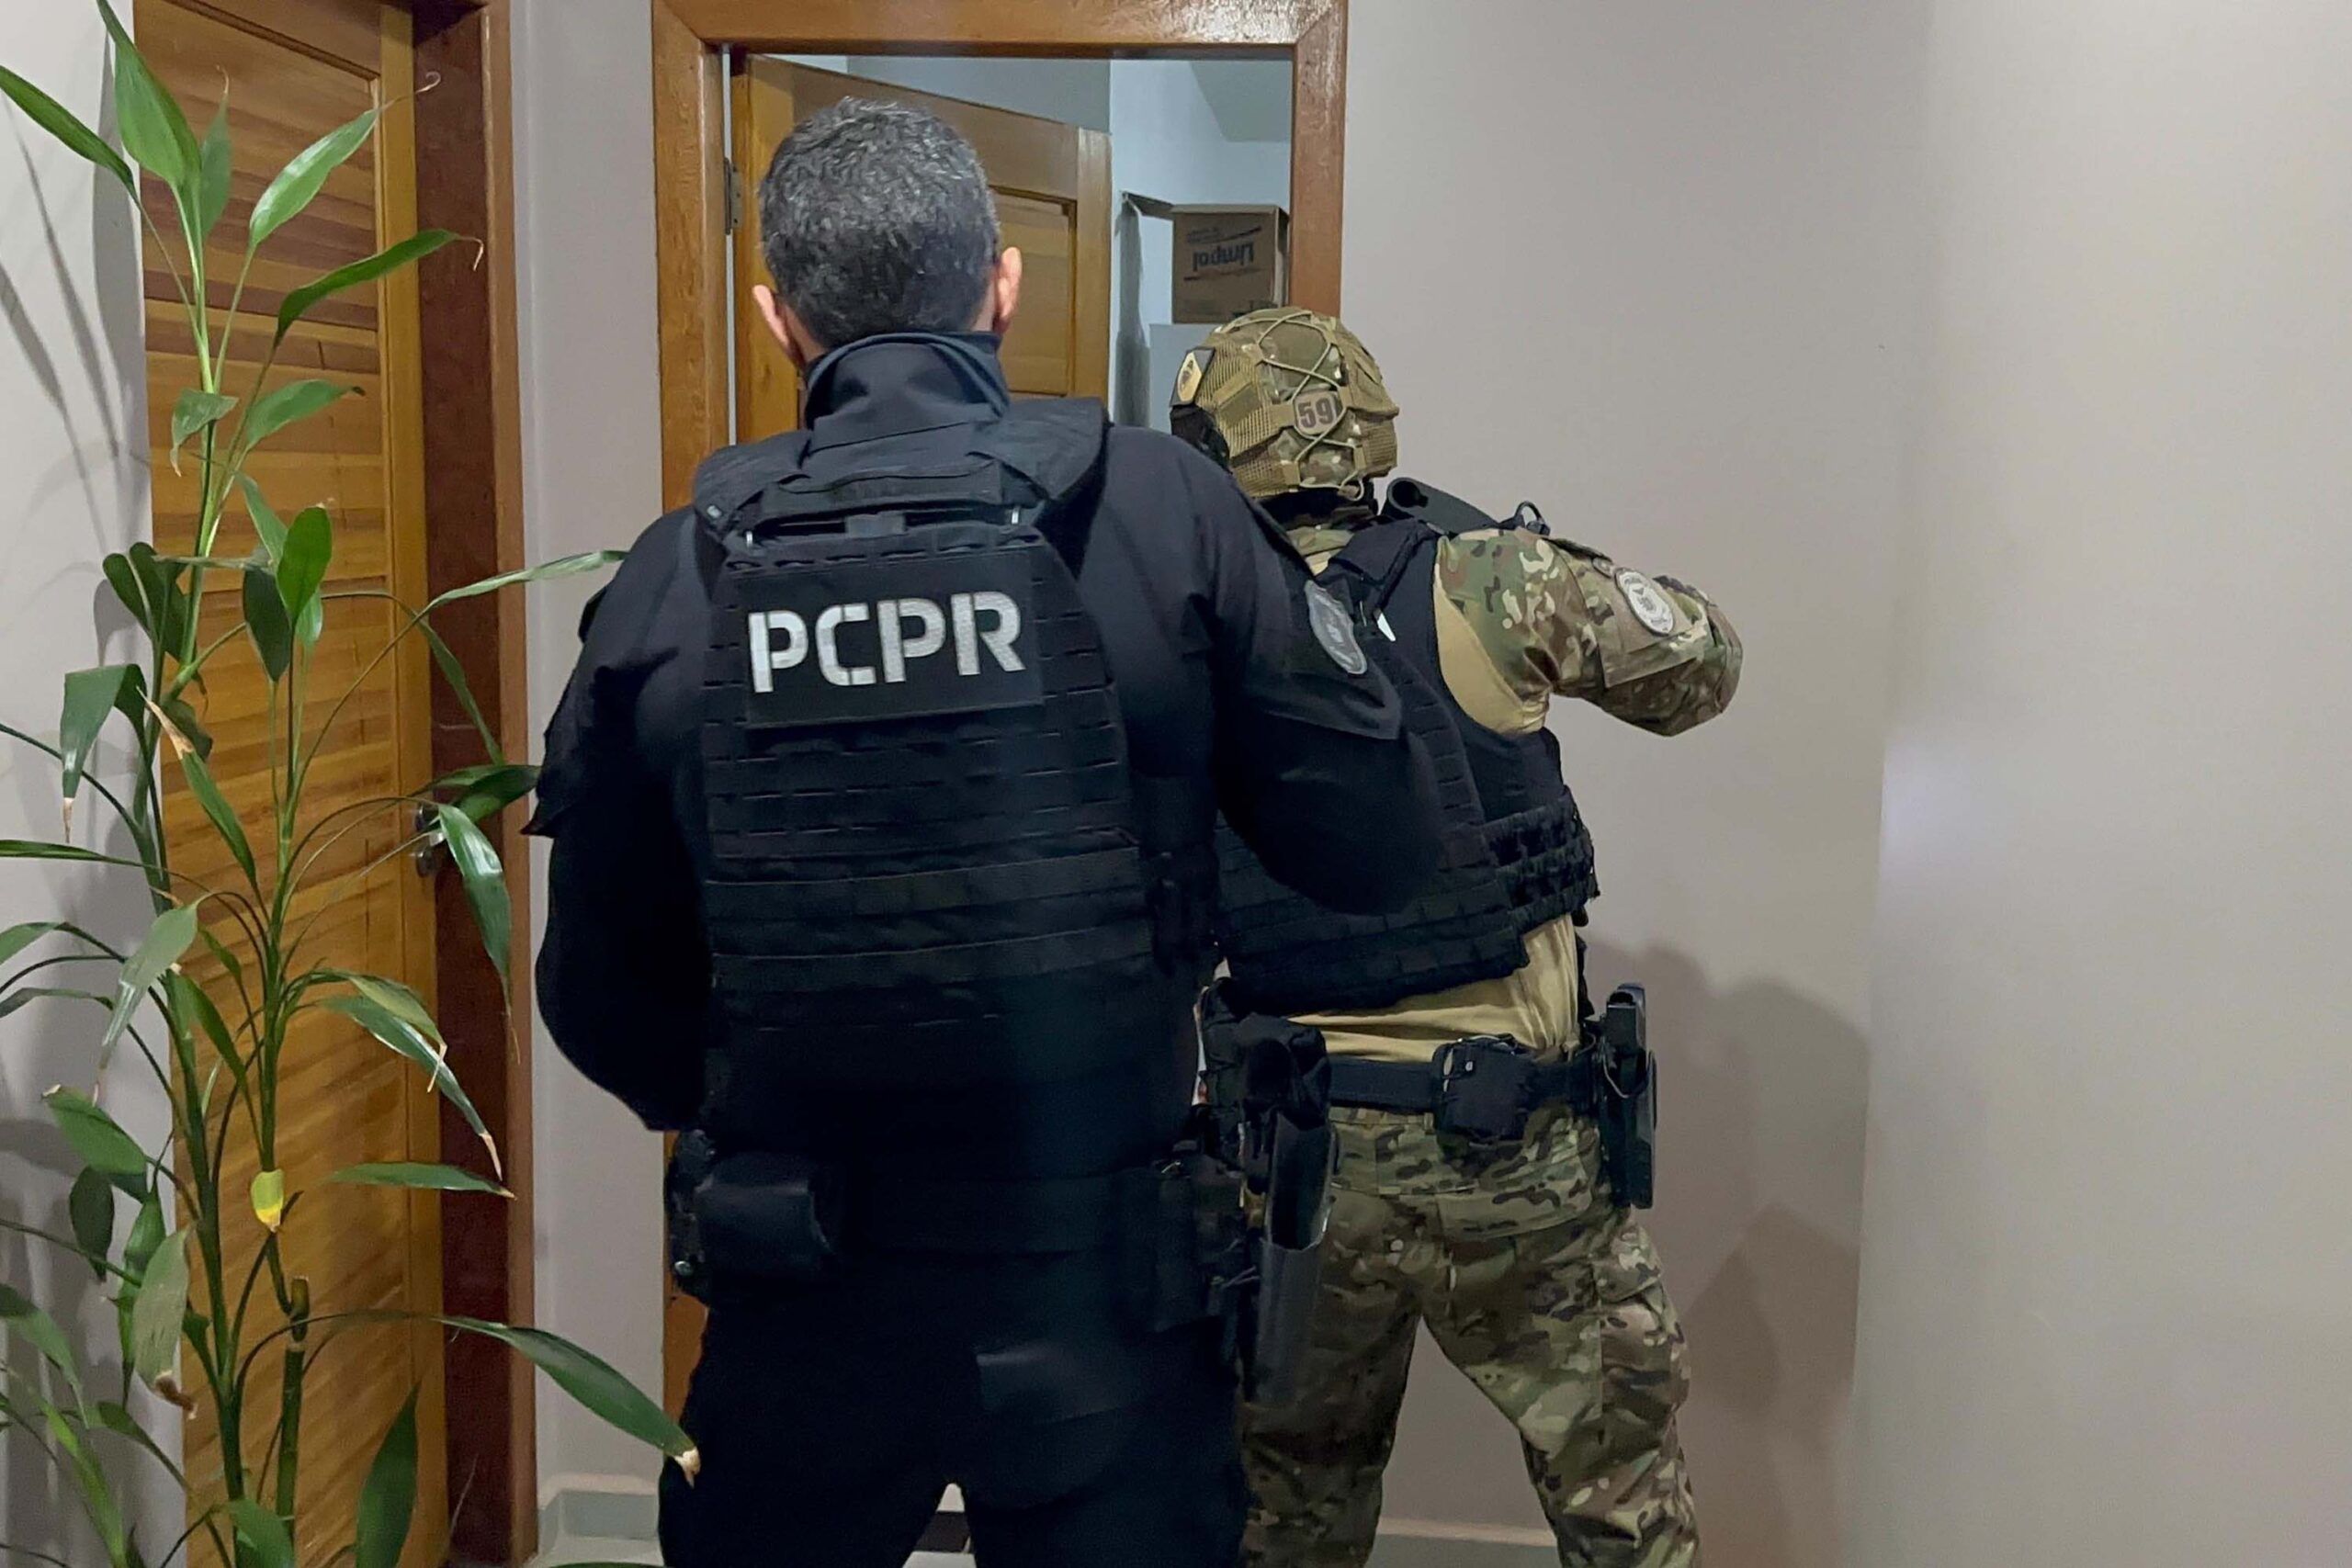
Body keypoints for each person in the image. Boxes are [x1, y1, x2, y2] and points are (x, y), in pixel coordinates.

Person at [529, 107, 1443, 1568]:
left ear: (776, 318)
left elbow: (599, 996)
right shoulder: (1167, 511)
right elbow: (1380, 850)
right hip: (1109, 1300)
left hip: (801, 1291)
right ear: (1002, 287)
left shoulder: (677, 577)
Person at [1171, 307, 1743, 1568]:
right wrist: (1525, 557)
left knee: (1288, 1519)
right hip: (1518, 1156)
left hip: (1297, 1163)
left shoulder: (1185, 609)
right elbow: (1703, 666)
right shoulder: (1488, 578)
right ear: (1370, 431)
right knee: (1623, 1506)